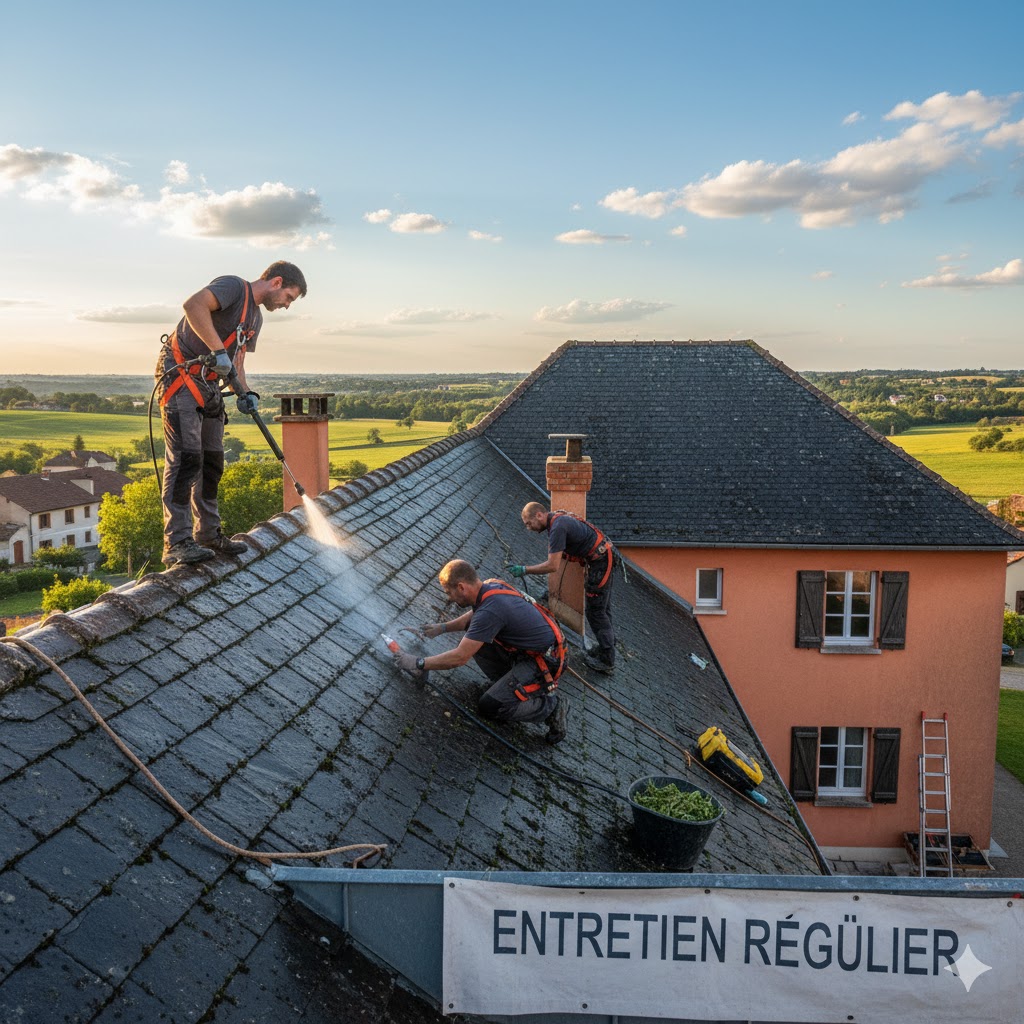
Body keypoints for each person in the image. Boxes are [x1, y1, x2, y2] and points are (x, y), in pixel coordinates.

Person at [155, 261, 307, 566]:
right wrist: (218, 351)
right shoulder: (234, 287)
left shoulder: (256, 318)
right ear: (276, 282)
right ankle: (177, 541)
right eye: (289, 297)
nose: (287, 305)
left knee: (212, 461)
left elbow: (236, 362)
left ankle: (208, 534)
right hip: (180, 379)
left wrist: (245, 393)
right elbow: (193, 304)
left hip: (209, 386)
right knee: (187, 460)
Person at [394, 559, 570, 744]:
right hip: (527, 652)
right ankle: (508, 686)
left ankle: (551, 707)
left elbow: (460, 657)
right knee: (476, 637)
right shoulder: (490, 586)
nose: (449, 598)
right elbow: (473, 619)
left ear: (461, 587)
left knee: (491, 706)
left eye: (449, 592)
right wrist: (441, 628)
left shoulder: (492, 610)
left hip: (544, 663)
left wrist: (419, 663)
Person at [512, 502, 617, 673]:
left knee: (596, 612)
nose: (528, 528)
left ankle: (607, 659)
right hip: (603, 558)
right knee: (603, 609)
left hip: (601, 562)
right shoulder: (557, 521)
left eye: (528, 523)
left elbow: (552, 565)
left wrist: (525, 569)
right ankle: (607, 646)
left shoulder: (558, 526)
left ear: (539, 515)